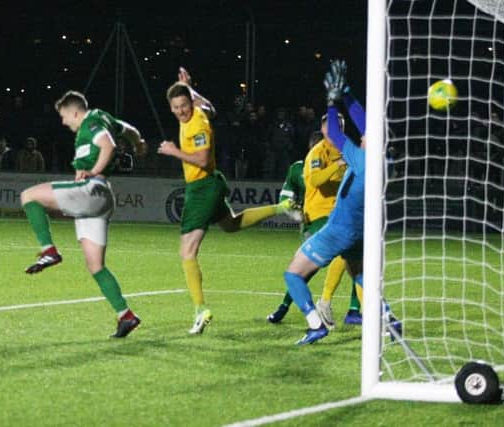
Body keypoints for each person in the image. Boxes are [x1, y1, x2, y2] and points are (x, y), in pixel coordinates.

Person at [158, 67, 300, 335]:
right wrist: (189, 88)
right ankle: (281, 207)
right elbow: (209, 107)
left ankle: (201, 310)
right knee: (231, 225)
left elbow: (200, 158)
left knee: (187, 252)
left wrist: (174, 151)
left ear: (189, 104)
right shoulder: (197, 111)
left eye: (184, 106)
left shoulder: (197, 123)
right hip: (208, 185)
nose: (180, 111)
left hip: (202, 187)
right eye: (176, 107)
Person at [283, 60, 399, 345]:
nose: (363, 133)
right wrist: (346, 93)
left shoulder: (362, 160)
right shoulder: (384, 161)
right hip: (360, 232)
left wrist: (332, 103)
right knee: (360, 277)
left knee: (293, 275)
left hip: (339, 230)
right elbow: (365, 123)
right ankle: (390, 320)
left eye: (367, 136)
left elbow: (334, 133)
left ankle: (314, 324)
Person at [20, 90, 147, 338]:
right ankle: (126, 316)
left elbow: (108, 145)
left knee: (28, 196)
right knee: (96, 266)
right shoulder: (103, 118)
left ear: (74, 111)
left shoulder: (90, 124)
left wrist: (94, 171)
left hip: (93, 189)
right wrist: (139, 143)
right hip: (100, 199)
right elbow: (129, 129)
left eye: (64, 116)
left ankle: (49, 250)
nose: (63, 121)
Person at [267, 121, 362, 327]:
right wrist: (293, 212)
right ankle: (297, 306)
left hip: (339, 217)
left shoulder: (347, 154)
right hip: (316, 219)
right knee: (305, 271)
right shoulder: (301, 166)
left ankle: (354, 310)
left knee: (358, 259)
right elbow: (306, 186)